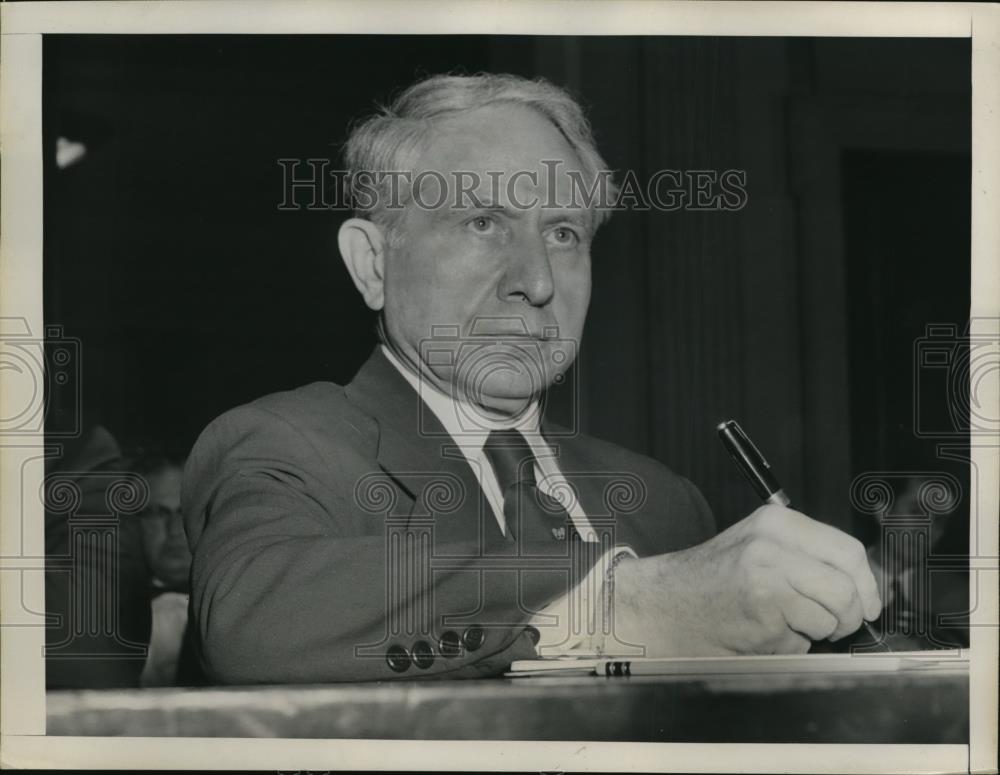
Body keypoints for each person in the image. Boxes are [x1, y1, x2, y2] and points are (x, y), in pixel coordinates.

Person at [183, 73, 881, 684]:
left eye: (563, 234)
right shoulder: (285, 446)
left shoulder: (666, 505)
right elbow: (252, 620)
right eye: (483, 222)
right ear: (373, 263)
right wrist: (626, 602)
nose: (538, 281)